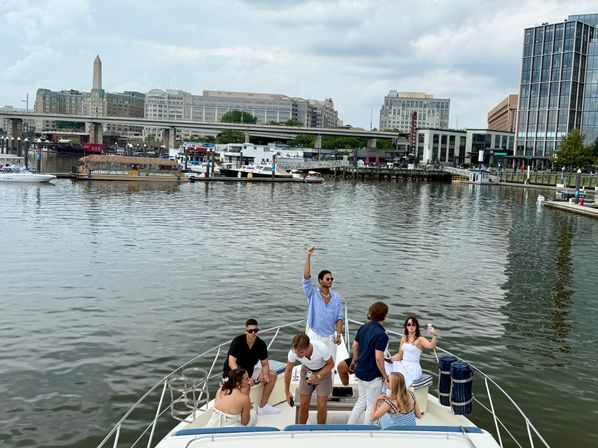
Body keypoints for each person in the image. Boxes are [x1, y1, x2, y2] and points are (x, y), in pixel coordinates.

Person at [222, 319, 280, 415]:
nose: (253, 333)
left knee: (272, 375)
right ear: (245, 331)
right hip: (233, 372)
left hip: (249, 371)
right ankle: (243, 413)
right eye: (250, 331)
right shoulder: (238, 341)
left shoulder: (260, 344)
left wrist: (265, 374)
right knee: (246, 385)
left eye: (255, 330)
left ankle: (263, 407)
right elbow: (231, 362)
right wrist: (244, 377)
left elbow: (264, 363)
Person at [347, 302, 389, 425]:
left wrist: (354, 361)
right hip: (372, 375)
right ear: (384, 316)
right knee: (371, 406)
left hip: (360, 371)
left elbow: (355, 346)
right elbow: (378, 358)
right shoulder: (382, 334)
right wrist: (385, 375)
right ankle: (367, 432)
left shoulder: (363, 327)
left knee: (361, 401)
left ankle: (349, 427)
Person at [303, 245, 344, 362]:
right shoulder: (312, 294)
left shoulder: (336, 297)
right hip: (314, 335)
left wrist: (339, 335)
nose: (330, 281)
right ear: (320, 280)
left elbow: (339, 318)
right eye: (328, 279)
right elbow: (306, 278)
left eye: (332, 279)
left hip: (330, 336)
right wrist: (308, 256)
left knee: (330, 365)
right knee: (312, 363)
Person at [284, 333, 334, 424]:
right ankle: (301, 430)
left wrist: (318, 376)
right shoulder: (293, 352)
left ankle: (320, 430)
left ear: (308, 347)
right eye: (296, 352)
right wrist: (287, 391)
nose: (298, 355)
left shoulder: (321, 348)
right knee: (303, 404)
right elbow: (288, 371)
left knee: (321, 406)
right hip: (307, 371)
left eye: (301, 353)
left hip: (323, 372)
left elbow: (331, 364)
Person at [385, 316, 437, 388]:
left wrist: (434, 334)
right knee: (386, 364)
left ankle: (399, 396)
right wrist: (390, 358)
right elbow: (400, 355)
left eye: (413, 324)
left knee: (398, 378)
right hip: (403, 364)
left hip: (413, 368)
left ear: (416, 326)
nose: (411, 326)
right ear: (406, 326)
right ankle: (392, 395)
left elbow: (431, 346)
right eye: (409, 324)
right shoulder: (403, 338)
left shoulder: (420, 339)